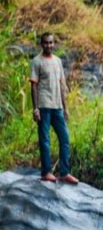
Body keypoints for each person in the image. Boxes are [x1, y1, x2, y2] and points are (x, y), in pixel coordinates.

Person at [30, 33, 78, 184]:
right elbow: (33, 86)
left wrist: (65, 108)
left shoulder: (58, 61)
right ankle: (46, 172)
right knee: (45, 140)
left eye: (51, 43)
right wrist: (35, 108)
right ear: (41, 44)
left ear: (54, 44)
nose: (49, 46)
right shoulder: (37, 61)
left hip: (57, 106)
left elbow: (62, 86)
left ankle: (64, 172)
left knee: (65, 139)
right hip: (44, 105)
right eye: (46, 43)